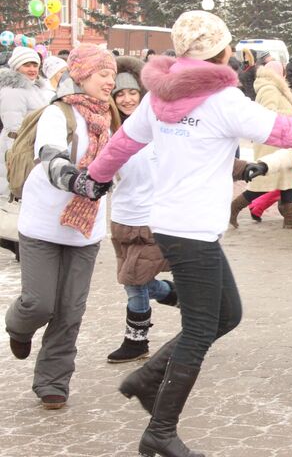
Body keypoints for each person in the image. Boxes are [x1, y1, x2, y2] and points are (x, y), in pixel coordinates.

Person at [85, 11, 292, 457]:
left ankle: (147, 381)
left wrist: (95, 178)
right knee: (202, 328)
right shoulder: (221, 101)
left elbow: (120, 145)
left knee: (228, 314)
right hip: (189, 231)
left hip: (174, 226)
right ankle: (160, 431)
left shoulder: (157, 99)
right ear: (222, 53)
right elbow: (291, 130)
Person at [4, 44, 121, 409]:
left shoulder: (112, 120)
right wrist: (78, 181)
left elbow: (130, 163)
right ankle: (18, 325)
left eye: (113, 75)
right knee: (39, 303)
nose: (110, 81)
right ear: (82, 74)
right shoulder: (58, 114)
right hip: (42, 225)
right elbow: (52, 157)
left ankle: (52, 381)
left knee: (70, 309)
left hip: (85, 230)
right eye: (103, 74)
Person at [106, 56, 178, 364]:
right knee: (133, 279)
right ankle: (176, 294)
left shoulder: (159, 126)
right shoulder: (110, 132)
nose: (125, 99)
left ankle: (136, 341)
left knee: (134, 281)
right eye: (119, 94)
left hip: (151, 219)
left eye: (131, 92)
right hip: (121, 217)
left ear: (142, 93)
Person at [230, 60, 292, 229]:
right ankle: (234, 208)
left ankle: (289, 218)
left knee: (290, 182)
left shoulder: (275, 88)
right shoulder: (269, 89)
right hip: (272, 145)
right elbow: (267, 114)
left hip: (282, 142)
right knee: (262, 185)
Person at [0, 47, 50, 198]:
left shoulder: (34, 88)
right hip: (18, 147)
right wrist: (14, 157)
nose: (32, 69)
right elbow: (13, 128)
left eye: (35, 65)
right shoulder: (13, 91)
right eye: (27, 65)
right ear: (17, 67)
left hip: (32, 146)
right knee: (11, 191)